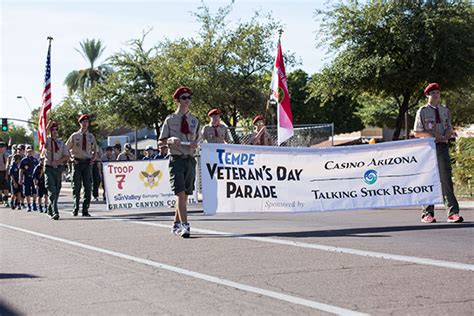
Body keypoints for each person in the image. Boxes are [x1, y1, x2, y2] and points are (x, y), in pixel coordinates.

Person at [413, 82, 463, 223]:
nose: (436, 95)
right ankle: (427, 213)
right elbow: (417, 132)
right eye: (433, 93)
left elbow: (449, 127)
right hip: (429, 149)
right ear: (427, 95)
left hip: (443, 147)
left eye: (438, 93)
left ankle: (453, 213)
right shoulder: (422, 111)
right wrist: (433, 135)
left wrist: (448, 132)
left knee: (446, 180)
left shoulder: (445, 111)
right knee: (429, 180)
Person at [159, 86, 200, 238]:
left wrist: (196, 143)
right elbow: (161, 141)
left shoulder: (194, 120)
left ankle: (176, 223)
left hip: (189, 159)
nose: (187, 100)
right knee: (180, 193)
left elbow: (197, 139)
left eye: (189, 98)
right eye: (184, 98)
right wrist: (170, 139)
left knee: (186, 194)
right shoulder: (170, 120)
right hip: (176, 159)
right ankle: (185, 225)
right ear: (177, 100)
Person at [66, 114, 97, 217]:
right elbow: (66, 149)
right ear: (80, 123)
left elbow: (95, 150)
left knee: (88, 187)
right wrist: (71, 159)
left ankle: (85, 209)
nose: (85, 123)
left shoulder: (91, 136)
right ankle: (75, 208)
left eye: (87, 122)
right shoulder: (74, 136)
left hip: (87, 163)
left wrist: (93, 159)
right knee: (76, 187)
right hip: (77, 163)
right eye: (83, 122)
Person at [44, 121, 70, 220]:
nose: (54, 131)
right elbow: (43, 136)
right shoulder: (47, 140)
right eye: (52, 129)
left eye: (56, 130)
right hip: (49, 168)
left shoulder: (61, 143)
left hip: (58, 169)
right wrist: (47, 126)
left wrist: (58, 161)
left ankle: (50, 208)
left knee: (57, 190)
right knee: (52, 190)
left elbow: (66, 156)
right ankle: (55, 212)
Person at [19, 145, 38, 212]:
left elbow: (38, 170)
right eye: (28, 151)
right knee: (27, 192)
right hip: (26, 177)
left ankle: (34, 203)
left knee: (34, 191)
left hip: (34, 178)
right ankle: (28, 205)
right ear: (26, 152)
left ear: (32, 152)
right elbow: (21, 170)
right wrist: (20, 178)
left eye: (31, 151)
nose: (29, 153)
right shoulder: (23, 160)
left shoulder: (35, 160)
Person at [0, 142, 10, 207]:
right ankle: (1, 199)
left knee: (6, 187)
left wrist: (6, 175)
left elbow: (7, 165)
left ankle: (6, 200)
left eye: (1, 147)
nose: (0, 149)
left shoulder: (6, 155)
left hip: (4, 172)